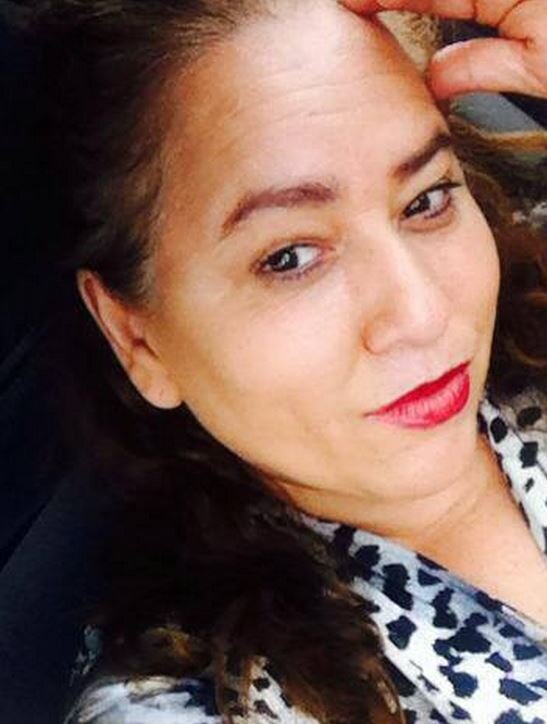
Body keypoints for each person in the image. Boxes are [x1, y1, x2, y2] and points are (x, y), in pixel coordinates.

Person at [12, 0, 547, 722]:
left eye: (425, 200)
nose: (421, 315)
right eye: (289, 257)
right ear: (136, 336)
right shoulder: (198, 704)